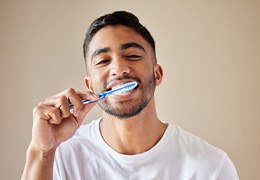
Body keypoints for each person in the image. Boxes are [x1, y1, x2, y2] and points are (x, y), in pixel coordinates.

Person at [22, 11, 239, 180]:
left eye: (133, 55)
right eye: (103, 61)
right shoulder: (60, 156)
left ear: (157, 74)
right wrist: (42, 151)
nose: (119, 68)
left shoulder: (210, 167)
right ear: (90, 85)